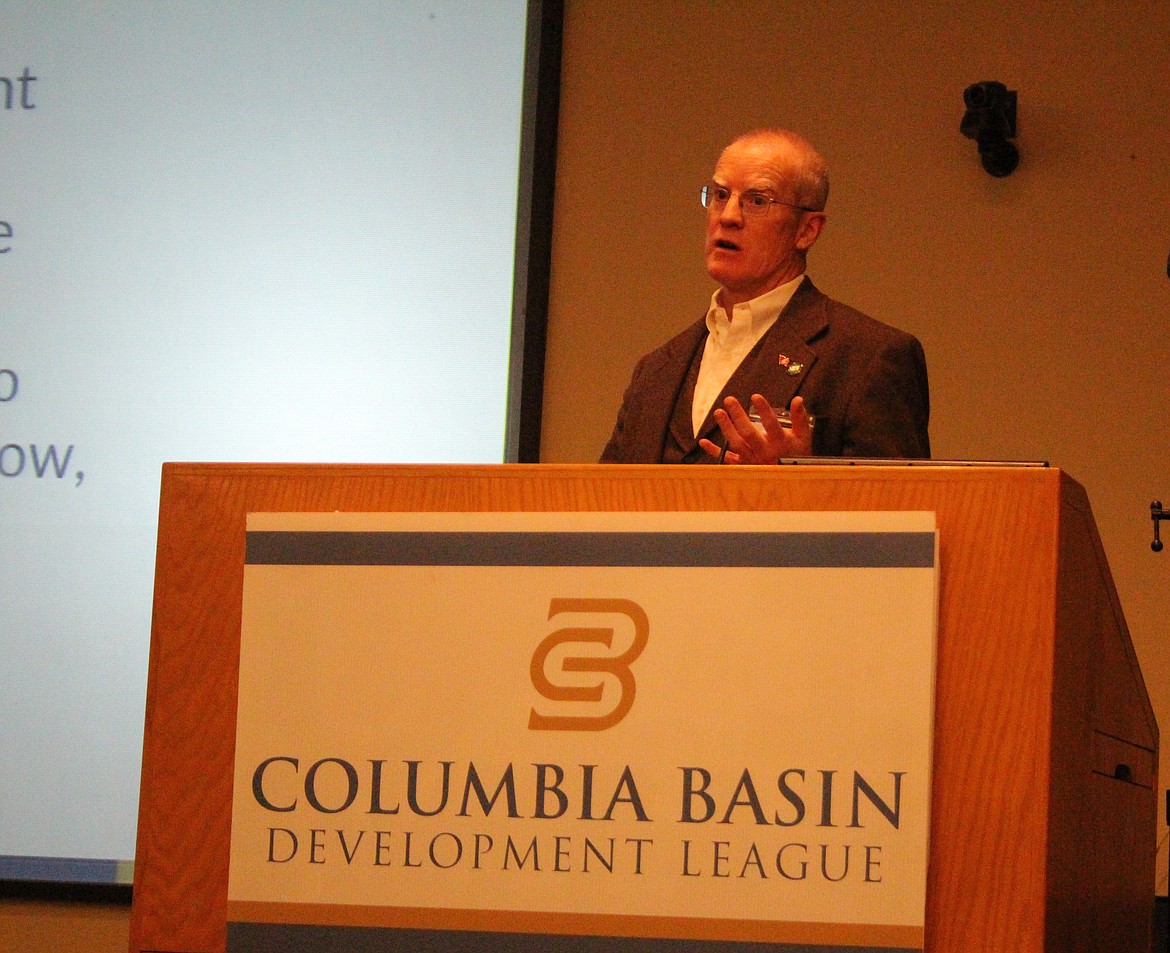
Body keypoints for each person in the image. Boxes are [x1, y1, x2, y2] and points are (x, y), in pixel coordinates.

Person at [600, 129, 930, 464]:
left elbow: (902, 506)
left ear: (806, 230)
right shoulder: (655, 371)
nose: (728, 216)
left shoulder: (870, 357)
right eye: (720, 194)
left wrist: (800, 480)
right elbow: (601, 505)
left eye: (757, 201)